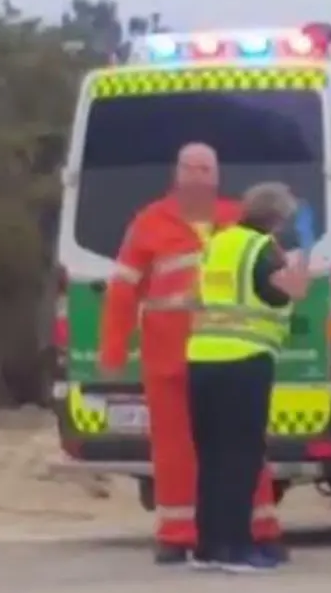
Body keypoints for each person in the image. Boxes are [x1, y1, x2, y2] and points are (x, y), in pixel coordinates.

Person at [99, 143, 287, 564]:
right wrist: (113, 347)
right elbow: (124, 288)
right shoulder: (149, 224)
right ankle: (177, 532)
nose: (199, 176)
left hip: (226, 353)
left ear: (217, 175)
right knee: (174, 449)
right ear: (177, 174)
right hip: (167, 357)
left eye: (207, 169)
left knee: (242, 448)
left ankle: (260, 528)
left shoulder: (238, 219)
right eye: (192, 168)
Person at [185, 183, 313, 573]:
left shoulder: (218, 243)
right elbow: (294, 290)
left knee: (210, 457)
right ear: (277, 219)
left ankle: (208, 547)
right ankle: (237, 547)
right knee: (240, 457)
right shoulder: (262, 249)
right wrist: (305, 247)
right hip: (243, 362)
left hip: (201, 360)